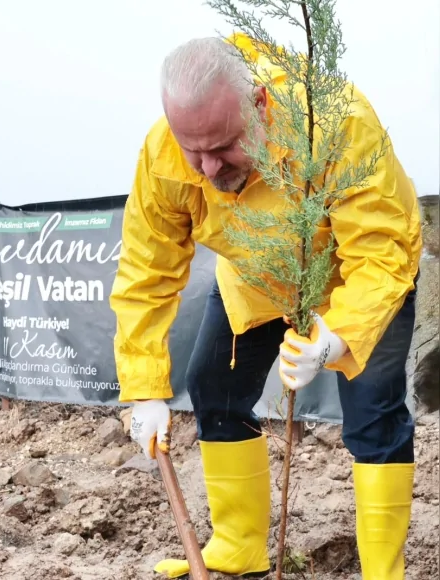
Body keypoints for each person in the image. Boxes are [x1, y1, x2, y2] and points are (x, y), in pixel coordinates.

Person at [110, 33, 422, 579]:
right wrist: (144, 389)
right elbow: (145, 273)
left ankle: (383, 571)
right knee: (214, 387)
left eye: (224, 147)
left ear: (259, 106)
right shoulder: (163, 155)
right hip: (256, 277)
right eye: (194, 150)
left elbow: (380, 253)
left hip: (360, 275)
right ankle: (239, 544)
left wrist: (339, 334)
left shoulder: (336, 121)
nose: (206, 168)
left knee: (373, 412)